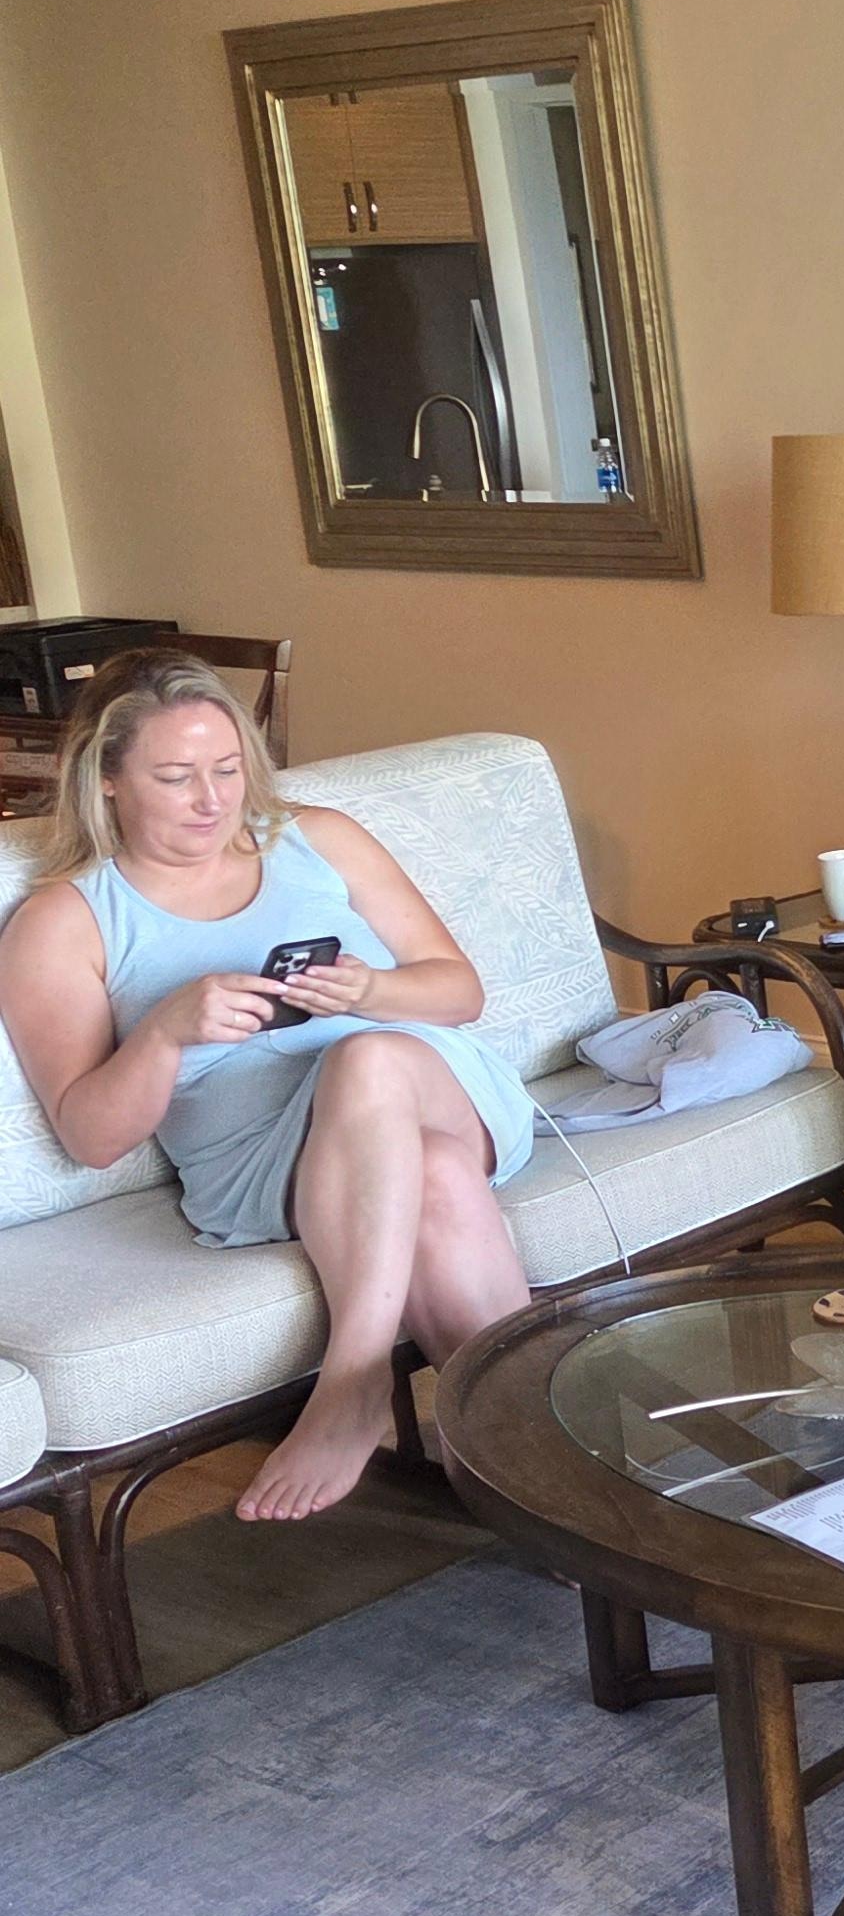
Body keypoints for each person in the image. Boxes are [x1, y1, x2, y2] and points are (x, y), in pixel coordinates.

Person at [0, 649, 536, 1522]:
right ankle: (556, 1490)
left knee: (367, 1057)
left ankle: (355, 1378)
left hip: (431, 1080)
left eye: (227, 768)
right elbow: (91, 1137)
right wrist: (168, 1031)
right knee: (436, 1180)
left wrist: (372, 991)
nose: (214, 800)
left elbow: (457, 990)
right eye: (176, 777)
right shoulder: (66, 921)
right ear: (105, 780)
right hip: (263, 1161)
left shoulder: (317, 838)